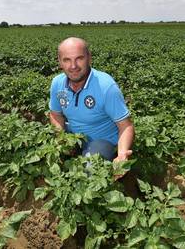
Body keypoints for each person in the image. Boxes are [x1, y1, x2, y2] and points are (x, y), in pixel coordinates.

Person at [49, 37, 135, 179]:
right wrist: (62, 137)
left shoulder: (106, 86)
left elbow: (126, 126)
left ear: (89, 58)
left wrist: (122, 154)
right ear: (59, 62)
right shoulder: (57, 83)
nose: (73, 66)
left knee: (88, 173)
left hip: (103, 140)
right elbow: (55, 114)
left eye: (79, 58)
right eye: (67, 60)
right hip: (76, 135)